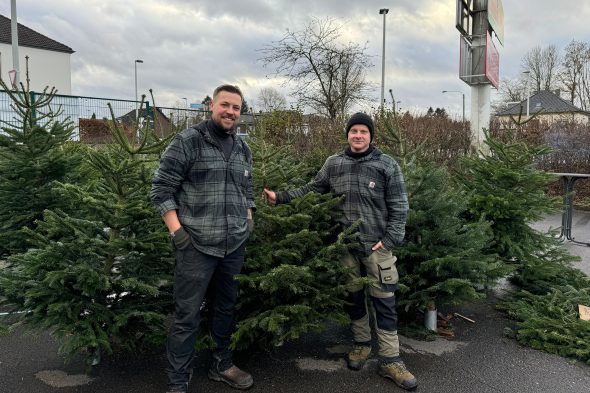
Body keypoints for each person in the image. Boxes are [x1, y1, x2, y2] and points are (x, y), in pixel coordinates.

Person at [263, 112, 417, 391]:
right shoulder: (334, 164)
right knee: (353, 296)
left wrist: (391, 239)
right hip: (345, 244)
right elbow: (313, 189)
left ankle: (391, 360)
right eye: (353, 131)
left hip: (377, 245)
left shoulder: (386, 165)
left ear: (371, 136)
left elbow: (400, 205)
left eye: (363, 132)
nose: (358, 135)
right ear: (347, 135)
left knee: (384, 300)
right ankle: (361, 345)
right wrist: (280, 197)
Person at [151, 84, 255, 393]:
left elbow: (246, 191)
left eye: (236, 108)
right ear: (211, 105)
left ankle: (222, 365)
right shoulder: (188, 142)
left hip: (233, 245)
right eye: (225, 105)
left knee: (225, 308)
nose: (230, 112)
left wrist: (248, 220)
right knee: (187, 315)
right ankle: (177, 381)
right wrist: (178, 232)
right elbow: (161, 189)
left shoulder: (242, 148)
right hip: (195, 245)